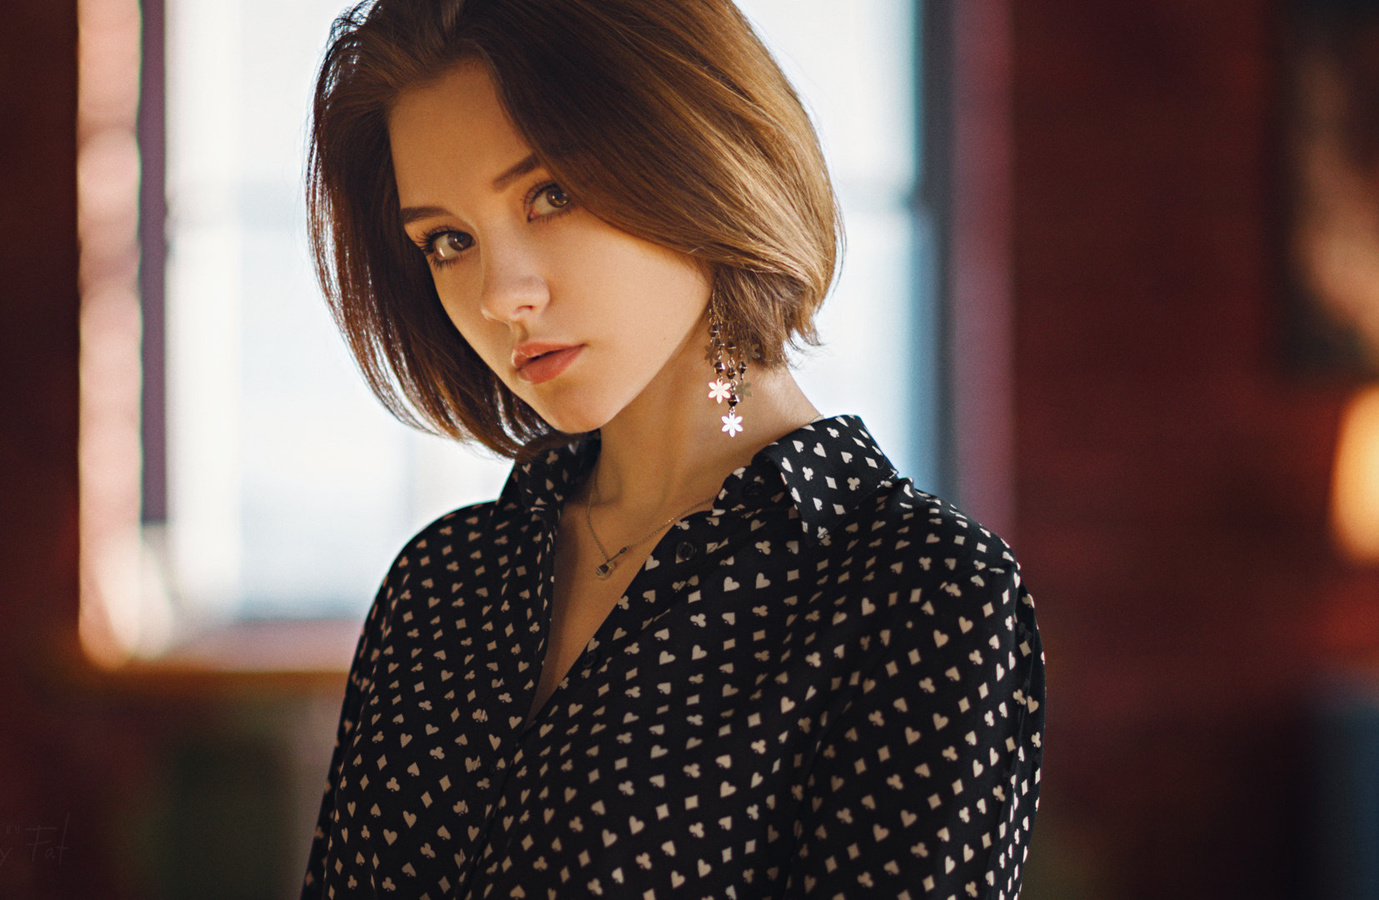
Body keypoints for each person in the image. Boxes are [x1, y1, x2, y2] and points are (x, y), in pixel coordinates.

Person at [300, 1, 1044, 898]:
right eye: (448, 241)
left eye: (551, 195)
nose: (500, 295)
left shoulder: (917, 595)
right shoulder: (442, 585)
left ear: (697, 160)